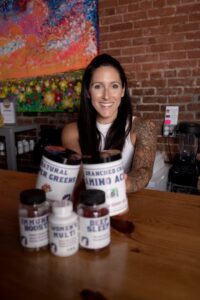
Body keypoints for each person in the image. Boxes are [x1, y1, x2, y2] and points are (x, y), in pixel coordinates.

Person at [62, 53, 157, 193]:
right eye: (98, 86)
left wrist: (126, 183)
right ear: (88, 92)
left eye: (114, 86)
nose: (106, 96)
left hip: (125, 205)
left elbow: (143, 171)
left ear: (123, 90)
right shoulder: (71, 131)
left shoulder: (142, 126)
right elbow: (80, 173)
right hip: (89, 204)